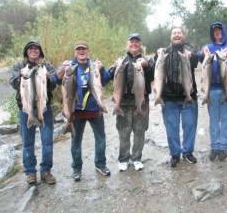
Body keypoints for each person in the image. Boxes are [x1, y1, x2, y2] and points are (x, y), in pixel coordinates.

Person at [53, 41, 111, 181]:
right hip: (76, 110)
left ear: (88, 51)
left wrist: (102, 69)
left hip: (94, 109)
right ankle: (77, 168)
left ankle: (100, 164)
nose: (81, 52)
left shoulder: (94, 66)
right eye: (78, 50)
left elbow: (107, 79)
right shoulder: (68, 65)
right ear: (75, 52)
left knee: (100, 138)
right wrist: (62, 70)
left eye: (83, 49)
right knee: (75, 141)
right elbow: (55, 79)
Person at [9, 40, 56, 184]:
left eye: (36, 49)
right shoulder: (19, 66)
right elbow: (13, 82)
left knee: (47, 141)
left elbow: (54, 84)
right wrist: (21, 77)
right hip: (25, 110)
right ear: (26, 52)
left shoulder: (46, 66)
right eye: (30, 49)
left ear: (40, 51)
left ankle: (46, 171)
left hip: (44, 109)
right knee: (28, 142)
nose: (34, 51)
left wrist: (48, 77)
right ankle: (30, 172)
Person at [108, 33, 154, 171]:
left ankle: (137, 158)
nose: (134, 44)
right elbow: (109, 76)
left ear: (140, 45)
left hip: (141, 102)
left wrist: (146, 66)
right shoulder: (120, 60)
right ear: (127, 44)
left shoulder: (147, 60)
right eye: (131, 42)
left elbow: (153, 75)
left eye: (137, 42)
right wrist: (113, 67)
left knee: (140, 131)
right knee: (124, 132)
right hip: (123, 103)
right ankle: (123, 159)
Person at [155, 27, 199, 167]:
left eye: (179, 33)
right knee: (171, 128)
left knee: (190, 126)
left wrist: (191, 56)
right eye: (174, 33)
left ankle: (188, 152)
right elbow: (155, 66)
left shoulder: (190, 50)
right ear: (170, 37)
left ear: (183, 36)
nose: (177, 35)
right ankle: (175, 154)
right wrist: (157, 56)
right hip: (168, 98)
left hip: (189, 96)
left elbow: (196, 60)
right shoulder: (164, 52)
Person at [197, 22, 227, 161]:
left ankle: (223, 148)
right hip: (212, 89)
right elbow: (199, 56)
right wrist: (202, 53)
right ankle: (214, 146)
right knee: (213, 120)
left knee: (226, 120)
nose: (217, 32)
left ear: (224, 31)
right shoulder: (208, 47)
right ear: (212, 34)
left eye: (220, 30)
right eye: (215, 31)